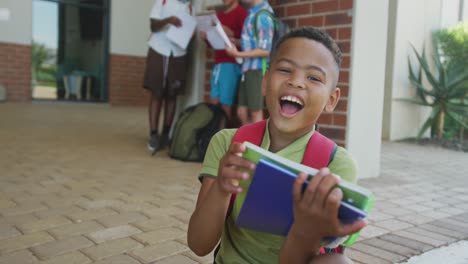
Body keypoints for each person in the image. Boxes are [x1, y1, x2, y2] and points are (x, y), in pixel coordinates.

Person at [187, 27, 367, 263]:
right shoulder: (229, 144)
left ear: (331, 100)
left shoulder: (336, 167)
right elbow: (199, 245)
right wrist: (222, 187)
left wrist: (306, 230)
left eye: (313, 77)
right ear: (265, 82)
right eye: (284, 70)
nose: (296, 82)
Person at [143, 0, 193, 154]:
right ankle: (153, 134)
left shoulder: (189, 7)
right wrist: (168, 20)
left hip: (178, 53)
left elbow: (190, 32)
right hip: (159, 49)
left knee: (172, 95)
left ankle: (166, 135)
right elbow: (153, 26)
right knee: (157, 92)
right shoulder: (163, 2)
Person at [225, 0, 274, 125]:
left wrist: (238, 54)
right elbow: (253, 44)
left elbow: (265, 50)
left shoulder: (263, 15)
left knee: (255, 112)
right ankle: (250, 141)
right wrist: (236, 42)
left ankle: (257, 143)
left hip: (257, 70)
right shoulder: (252, 13)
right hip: (247, 68)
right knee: (241, 112)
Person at [201, 0, 247, 121]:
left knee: (226, 103)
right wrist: (206, 38)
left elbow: (248, 42)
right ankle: (213, 133)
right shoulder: (219, 16)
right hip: (218, 63)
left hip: (231, 64)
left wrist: (231, 33)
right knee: (214, 100)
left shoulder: (242, 14)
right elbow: (215, 42)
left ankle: (222, 136)